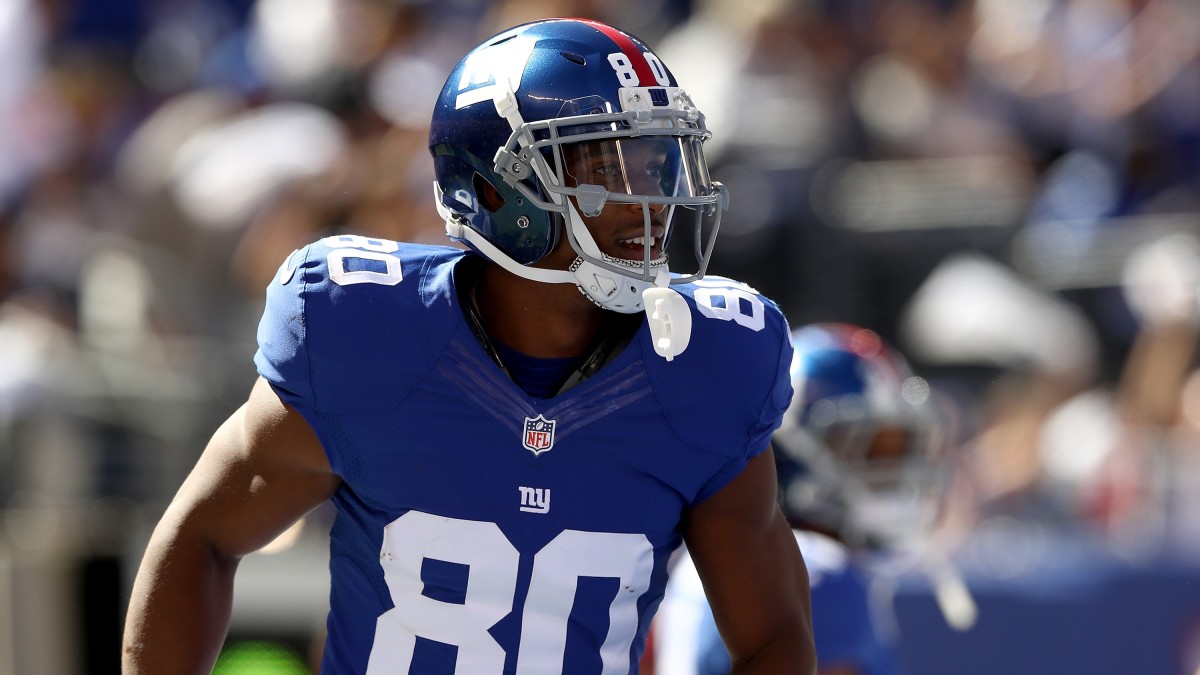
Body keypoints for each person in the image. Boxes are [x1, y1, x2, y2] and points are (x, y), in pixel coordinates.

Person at [122, 18, 816, 675]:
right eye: (608, 169)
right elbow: (201, 538)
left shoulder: (709, 366)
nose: (653, 202)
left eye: (657, 163)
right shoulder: (363, 331)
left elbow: (774, 634)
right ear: (495, 189)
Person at [654, 323, 969, 675]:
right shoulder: (820, 575)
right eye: (869, 449)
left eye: (901, 449)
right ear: (787, 449)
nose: (894, 475)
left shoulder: (730, 553)